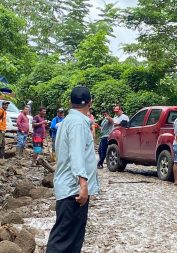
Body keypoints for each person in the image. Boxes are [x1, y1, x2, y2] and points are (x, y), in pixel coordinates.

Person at [46, 86, 99, 253]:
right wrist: (83, 185)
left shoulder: (68, 121)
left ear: (70, 102)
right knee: (64, 240)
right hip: (73, 189)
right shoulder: (77, 123)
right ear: (90, 102)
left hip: (69, 187)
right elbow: (76, 154)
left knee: (71, 238)